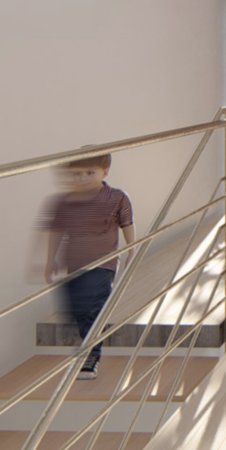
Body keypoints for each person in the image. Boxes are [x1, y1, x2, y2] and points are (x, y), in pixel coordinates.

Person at [41, 152, 135, 380]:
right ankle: (85, 349)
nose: (83, 178)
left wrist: (132, 250)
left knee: (94, 309)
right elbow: (57, 231)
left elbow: (127, 224)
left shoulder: (117, 198)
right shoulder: (68, 202)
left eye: (90, 173)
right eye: (77, 174)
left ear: (105, 172)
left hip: (103, 264)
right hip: (74, 265)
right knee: (76, 311)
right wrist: (50, 259)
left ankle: (91, 357)